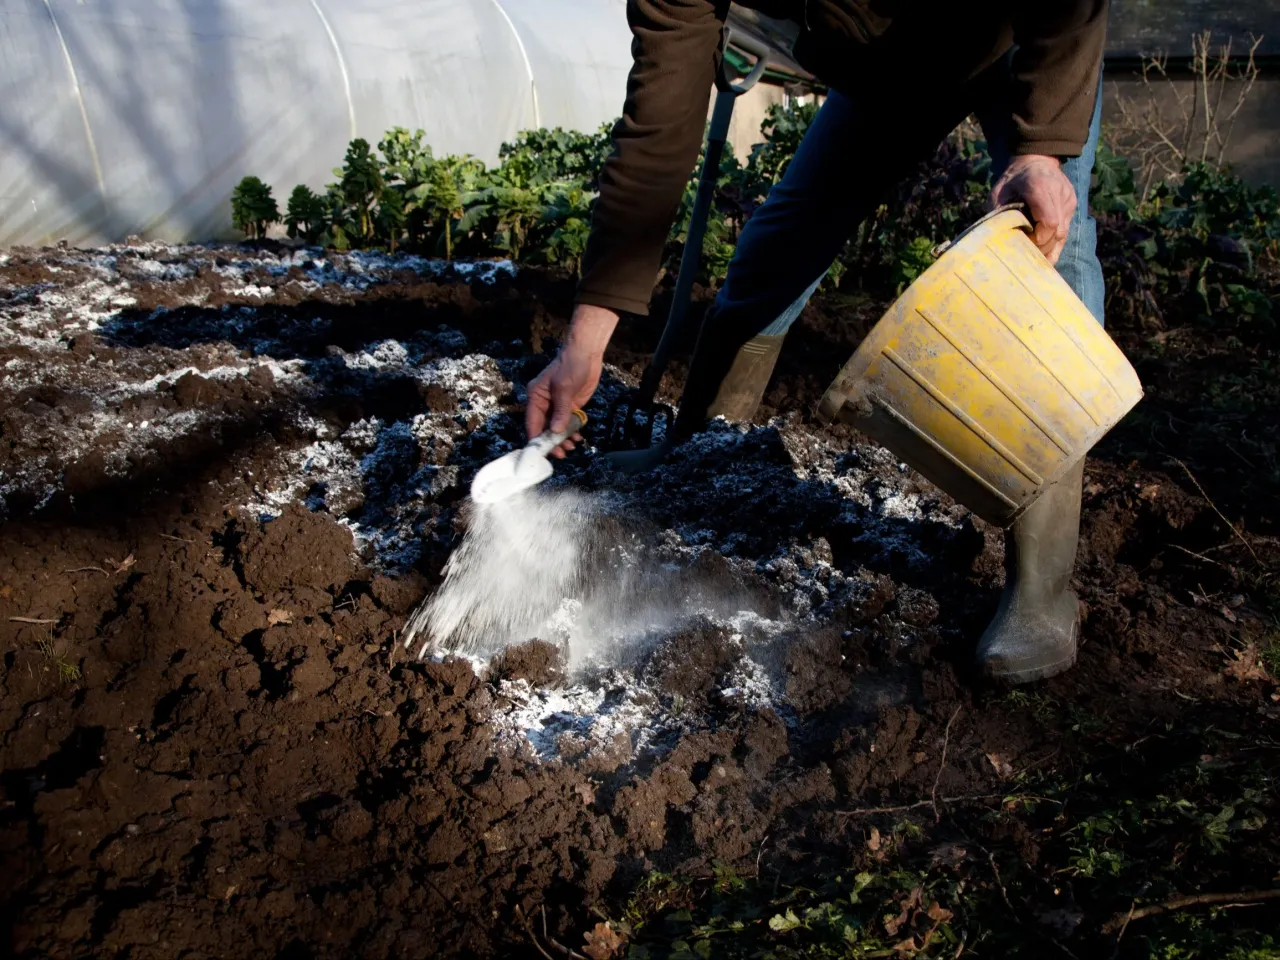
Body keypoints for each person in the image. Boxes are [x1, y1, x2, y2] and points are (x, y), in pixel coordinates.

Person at [525, 0, 1109, 684]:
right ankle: (700, 456)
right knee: (780, 246)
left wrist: (1041, 149)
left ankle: (1044, 588)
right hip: (889, 74)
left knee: (1048, 255)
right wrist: (584, 344)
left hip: (1015, 47)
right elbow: (657, 126)